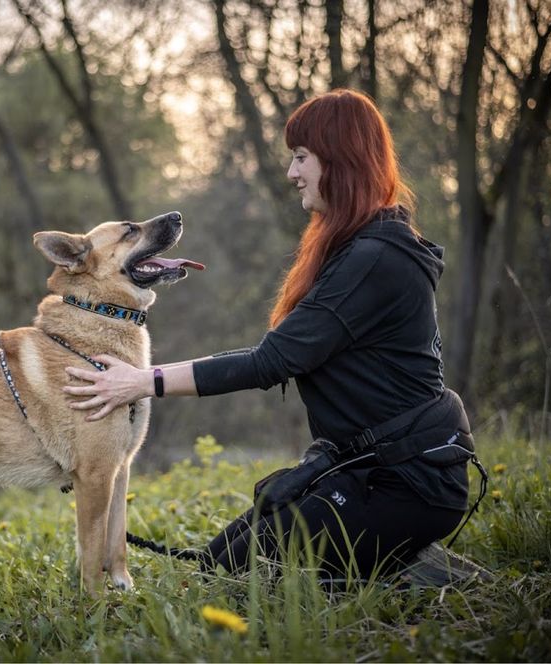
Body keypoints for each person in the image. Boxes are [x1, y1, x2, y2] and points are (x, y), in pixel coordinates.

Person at [62, 88, 477, 580]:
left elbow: (268, 362)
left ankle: (421, 573)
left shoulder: (375, 260)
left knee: (249, 577)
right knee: (222, 562)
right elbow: (279, 353)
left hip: (406, 483)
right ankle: (387, 557)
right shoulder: (357, 249)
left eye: (302, 157)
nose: (292, 172)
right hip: (363, 471)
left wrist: (140, 381)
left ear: (341, 159)